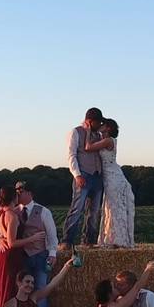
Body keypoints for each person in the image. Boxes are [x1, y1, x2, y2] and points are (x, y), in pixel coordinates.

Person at [0, 185, 45, 307]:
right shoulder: (13, 216)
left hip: (2, 254)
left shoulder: (0, 211)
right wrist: (33, 239)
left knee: (4, 286)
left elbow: (2, 235)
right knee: (11, 288)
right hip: (12, 256)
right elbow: (12, 243)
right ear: (13, 197)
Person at [85, 118, 135, 248]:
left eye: (103, 124)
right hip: (110, 177)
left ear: (108, 128)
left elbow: (88, 147)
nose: (100, 126)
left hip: (113, 178)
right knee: (111, 207)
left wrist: (88, 130)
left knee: (115, 208)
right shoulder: (106, 139)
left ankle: (119, 241)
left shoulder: (108, 141)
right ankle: (113, 239)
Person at [60, 107, 105, 249]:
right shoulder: (76, 132)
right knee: (77, 209)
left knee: (94, 212)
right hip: (83, 174)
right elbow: (71, 155)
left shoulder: (98, 134)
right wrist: (77, 175)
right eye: (98, 122)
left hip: (97, 176)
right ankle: (67, 241)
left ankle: (89, 241)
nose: (100, 125)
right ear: (90, 121)